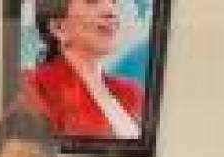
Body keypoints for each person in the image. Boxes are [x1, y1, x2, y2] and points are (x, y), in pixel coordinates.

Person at [22, 0, 144, 140]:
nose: (111, 11)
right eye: (92, 2)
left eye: (112, 1)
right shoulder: (33, 85)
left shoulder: (132, 92)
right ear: (58, 28)